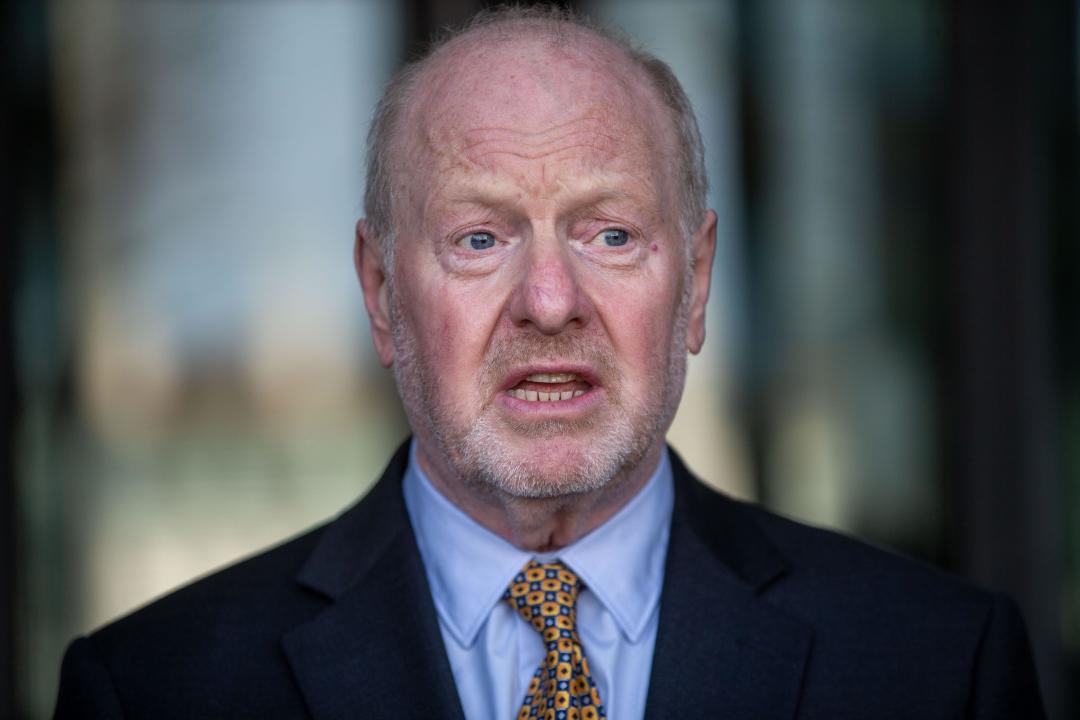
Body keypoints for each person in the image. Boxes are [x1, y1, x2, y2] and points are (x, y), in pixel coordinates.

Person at [55, 6, 1045, 719]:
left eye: (610, 235)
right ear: (381, 295)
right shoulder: (154, 690)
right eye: (480, 239)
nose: (549, 300)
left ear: (696, 285)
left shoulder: (936, 669)